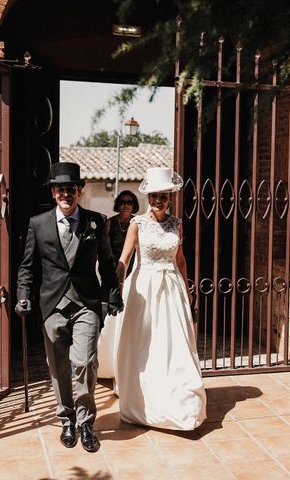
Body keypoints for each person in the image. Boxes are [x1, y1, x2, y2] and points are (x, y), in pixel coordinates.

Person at [15, 162, 123, 453]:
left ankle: (86, 422)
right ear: (53, 192)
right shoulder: (38, 223)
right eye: (61, 189)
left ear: (79, 191)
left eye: (71, 189)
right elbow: (27, 267)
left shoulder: (96, 221)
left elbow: (108, 263)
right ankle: (66, 418)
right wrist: (23, 295)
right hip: (52, 304)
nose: (66, 194)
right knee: (58, 365)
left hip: (86, 303)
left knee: (85, 361)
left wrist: (112, 295)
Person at [104, 166, 207, 430]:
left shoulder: (177, 225)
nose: (158, 201)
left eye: (163, 196)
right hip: (143, 290)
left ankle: (181, 398)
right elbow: (124, 259)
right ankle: (142, 396)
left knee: (175, 345)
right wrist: (116, 285)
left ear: (171, 197)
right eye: (153, 196)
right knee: (144, 345)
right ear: (148, 197)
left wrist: (188, 290)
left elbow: (180, 260)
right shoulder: (137, 224)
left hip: (171, 289)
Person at [97, 190, 139, 379]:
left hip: (133, 275)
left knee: (131, 314)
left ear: (134, 205)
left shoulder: (138, 223)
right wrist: (111, 276)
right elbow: (104, 251)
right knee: (108, 316)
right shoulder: (109, 223)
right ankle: (106, 355)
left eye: (129, 202)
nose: (125, 205)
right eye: (122, 201)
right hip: (111, 276)